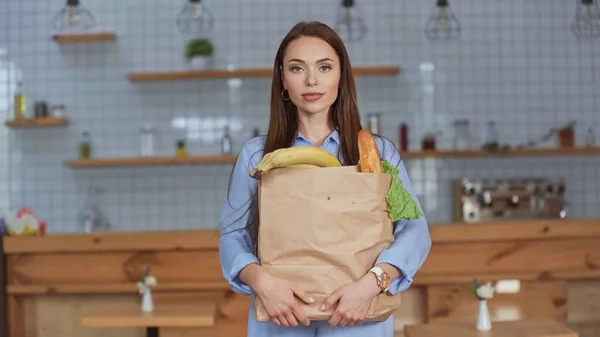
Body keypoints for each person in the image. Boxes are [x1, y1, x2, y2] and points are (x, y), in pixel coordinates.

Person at [219, 21, 431, 337]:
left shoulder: (377, 152)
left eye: (325, 67)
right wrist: (262, 282)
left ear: (341, 78)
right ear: (283, 80)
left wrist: (372, 284)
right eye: (297, 68)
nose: (312, 80)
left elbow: (415, 230)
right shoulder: (257, 156)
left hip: (359, 317)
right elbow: (233, 235)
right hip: (282, 318)